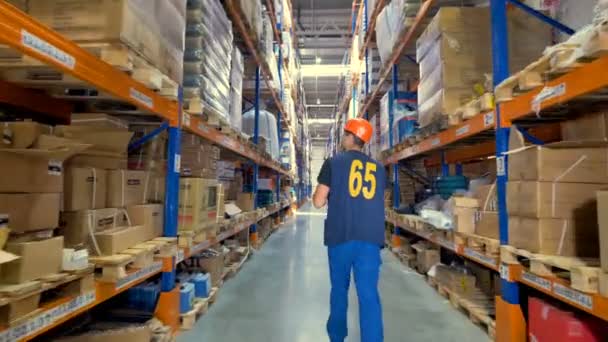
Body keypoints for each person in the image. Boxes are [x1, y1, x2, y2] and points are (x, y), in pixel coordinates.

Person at [313, 118, 386, 342]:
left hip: (341, 236)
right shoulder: (380, 169)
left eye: (345, 134)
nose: (343, 138)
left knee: (339, 290)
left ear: (351, 138)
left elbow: (317, 201)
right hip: (370, 239)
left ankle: (336, 337)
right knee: (369, 295)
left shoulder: (333, 163)